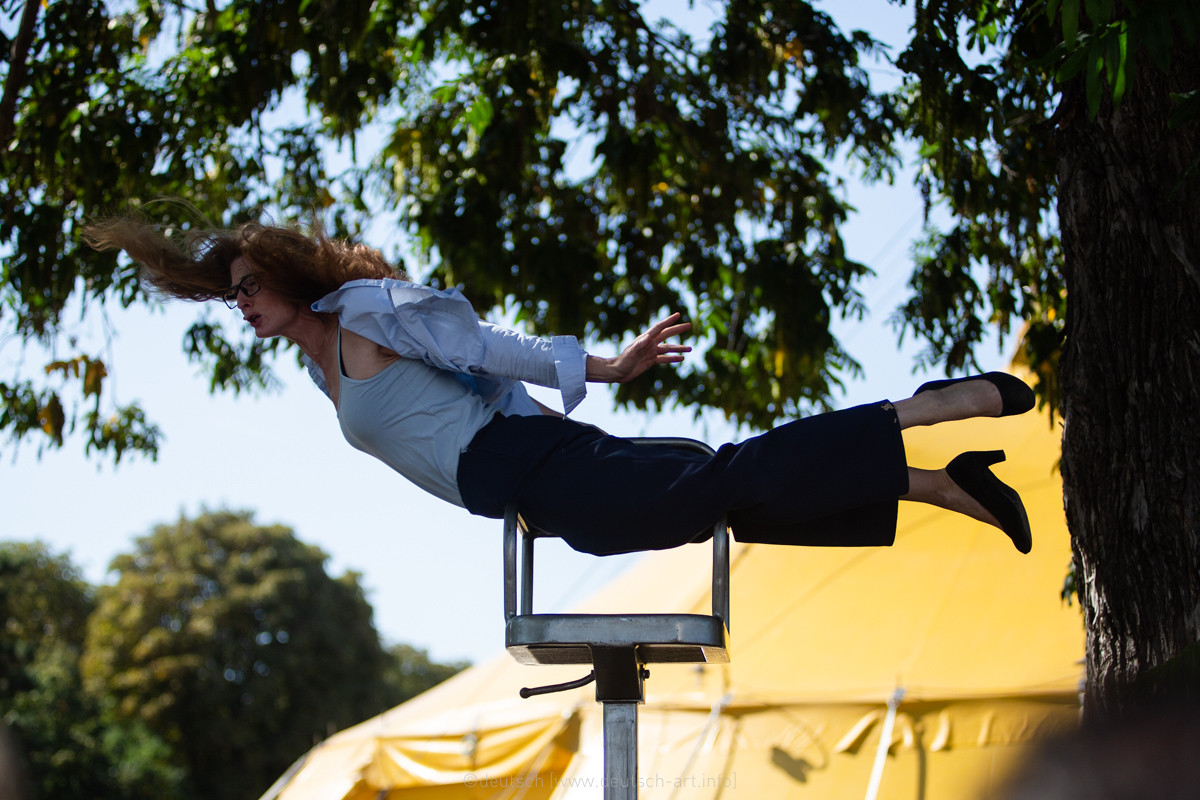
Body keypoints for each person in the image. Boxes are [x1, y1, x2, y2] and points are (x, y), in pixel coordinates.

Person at [83, 218, 1035, 556]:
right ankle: (934, 483)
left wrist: (609, 366)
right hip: (520, 484)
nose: (244, 303)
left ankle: (927, 409)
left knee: (723, 480)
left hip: (524, 459)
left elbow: (487, 349)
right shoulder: (313, 362)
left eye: (253, 286)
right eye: (235, 294)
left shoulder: (366, 314)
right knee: (712, 506)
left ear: (291, 277)